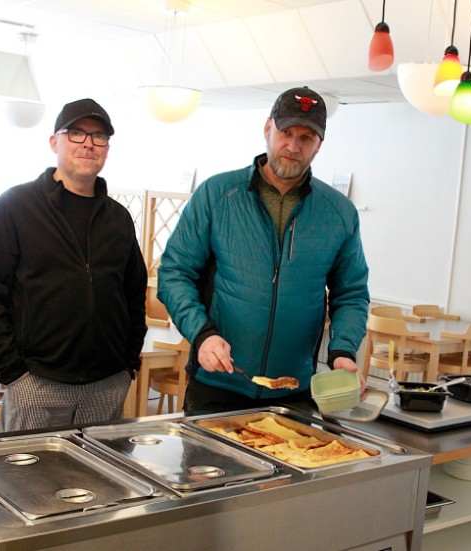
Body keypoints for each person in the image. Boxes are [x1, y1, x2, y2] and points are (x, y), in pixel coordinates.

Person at [157, 86, 370, 414]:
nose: (293, 146)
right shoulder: (217, 195)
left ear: (319, 146)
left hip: (294, 390)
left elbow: (352, 294)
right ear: (268, 128)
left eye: (306, 138)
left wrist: (343, 350)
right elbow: (174, 272)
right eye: (286, 132)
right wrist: (202, 334)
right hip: (218, 385)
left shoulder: (339, 213)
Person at [0, 98, 147, 431]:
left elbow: (134, 295)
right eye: (77, 133)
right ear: (55, 142)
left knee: (99, 480)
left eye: (99, 137)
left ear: (107, 147)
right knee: (25, 482)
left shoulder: (118, 219)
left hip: (106, 385)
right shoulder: (16, 206)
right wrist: (12, 373)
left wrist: (128, 364)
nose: (88, 144)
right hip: (36, 383)